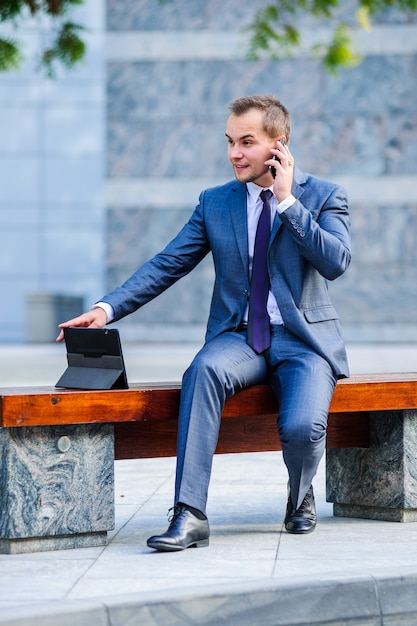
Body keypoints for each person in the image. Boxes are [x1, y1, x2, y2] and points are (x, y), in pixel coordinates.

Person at [57, 94, 351, 551]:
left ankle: (300, 492)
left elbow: (335, 262)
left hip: (303, 341)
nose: (235, 153)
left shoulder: (324, 195)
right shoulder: (216, 203)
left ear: (280, 144)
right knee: (202, 371)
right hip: (241, 339)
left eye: (247, 142)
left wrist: (288, 201)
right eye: (230, 142)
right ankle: (190, 513)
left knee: (299, 429)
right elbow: (168, 263)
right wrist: (106, 309)